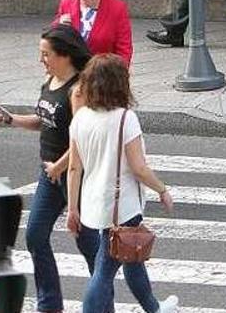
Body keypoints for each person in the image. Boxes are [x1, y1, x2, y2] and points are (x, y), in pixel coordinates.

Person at [0, 26, 101, 313]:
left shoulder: (78, 90)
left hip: (76, 175)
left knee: (88, 244)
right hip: (49, 174)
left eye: (46, 54)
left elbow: (81, 139)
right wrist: (12, 119)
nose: (42, 60)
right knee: (35, 235)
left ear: (65, 56)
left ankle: (103, 302)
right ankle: (49, 305)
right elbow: (43, 120)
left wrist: (60, 166)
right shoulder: (50, 80)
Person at [65, 54, 179, 313]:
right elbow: (139, 168)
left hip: (94, 205)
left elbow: (74, 167)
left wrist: (73, 209)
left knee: (132, 255)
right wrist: (162, 189)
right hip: (122, 207)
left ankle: (154, 308)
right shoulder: (126, 119)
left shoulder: (80, 118)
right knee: (104, 269)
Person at [54, 0, 133, 65]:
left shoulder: (117, 8)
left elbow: (124, 49)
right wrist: (59, 25)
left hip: (102, 73)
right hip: (71, 72)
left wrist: (117, 75)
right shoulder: (66, 3)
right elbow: (53, 39)